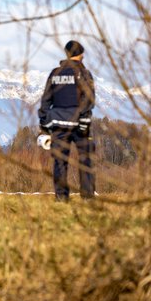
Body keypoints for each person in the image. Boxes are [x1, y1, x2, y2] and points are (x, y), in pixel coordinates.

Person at [38, 40, 95, 201]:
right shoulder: (83, 74)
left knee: (60, 162)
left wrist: (44, 122)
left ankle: (62, 198)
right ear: (81, 55)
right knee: (85, 160)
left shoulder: (55, 74)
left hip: (58, 124)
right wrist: (83, 117)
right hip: (79, 124)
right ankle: (88, 198)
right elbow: (89, 99)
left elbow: (46, 100)